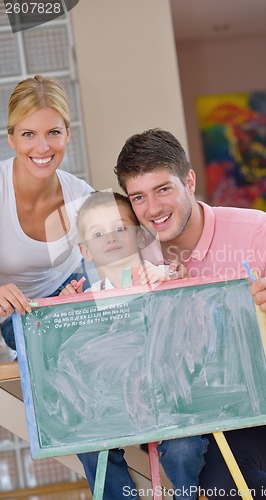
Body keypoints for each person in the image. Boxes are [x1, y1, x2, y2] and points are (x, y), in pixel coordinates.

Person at [113, 128, 266, 500]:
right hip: (227, 415)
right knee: (220, 483)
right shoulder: (132, 258)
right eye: (138, 196)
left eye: (163, 189)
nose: (152, 209)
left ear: (189, 180)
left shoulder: (257, 229)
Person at [60, 190, 209, 500]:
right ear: (85, 250)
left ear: (141, 237)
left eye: (119, 228)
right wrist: (64, 317)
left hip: (172, 402)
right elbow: (77, 366)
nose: (110, 238)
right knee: (90, 447)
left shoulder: (164, 279)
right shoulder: (84, 302)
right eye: (98, 233)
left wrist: (177, 290)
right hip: (113, 405)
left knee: (185, 449)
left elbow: (196, 335)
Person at [0, 75, 92, 353]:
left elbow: (124, 265)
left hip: (73, 288)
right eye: (28, 134)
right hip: (18, 309)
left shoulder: (82, 195)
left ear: (67, 134)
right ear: (11, 138)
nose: (43, 148)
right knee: (38, 349)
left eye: (53, 132)